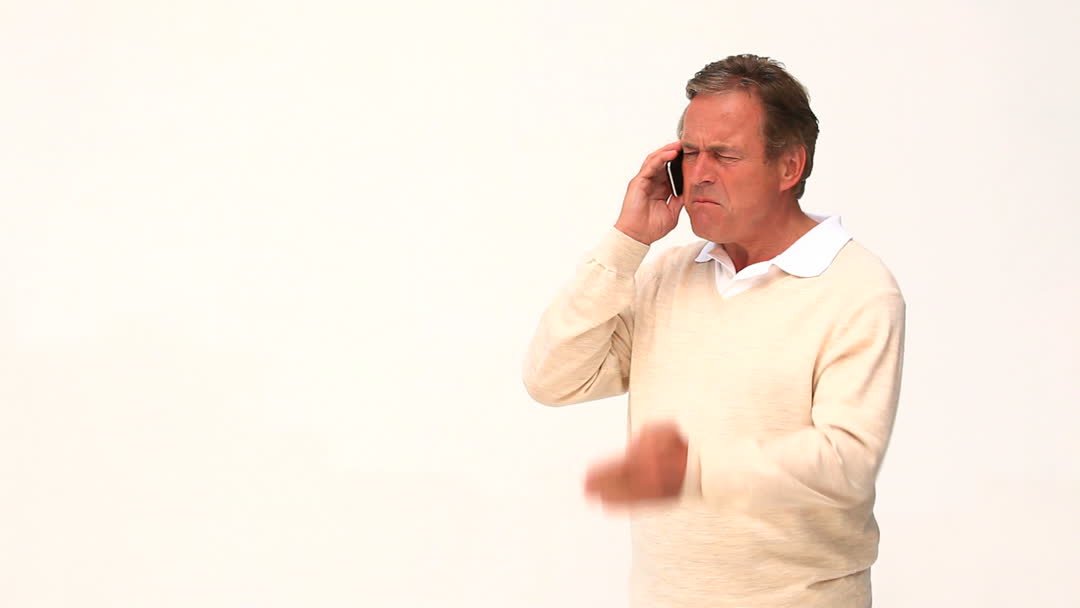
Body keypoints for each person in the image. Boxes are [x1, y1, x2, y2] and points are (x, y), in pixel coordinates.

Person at [521, 54, 906, 608]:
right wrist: (627, 241)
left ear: (789, 166)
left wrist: (691, 471)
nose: (699, 172)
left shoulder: (857, 288)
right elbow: (553, 379)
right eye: (690, 152)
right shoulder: (666, 274)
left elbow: (847, 462)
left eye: (724, 155)